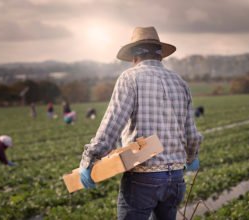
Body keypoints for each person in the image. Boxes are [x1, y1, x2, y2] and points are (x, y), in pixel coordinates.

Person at [78, 27, 202, 220]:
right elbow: (192, 134)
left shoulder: (129, 78)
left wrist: (89, 159)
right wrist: (191, 156)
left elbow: (112, 125)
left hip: (143, 177)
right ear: (160, 55)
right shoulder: (180, 82)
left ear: (135, 55)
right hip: (176, 179)